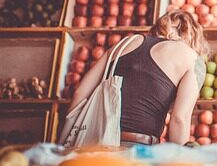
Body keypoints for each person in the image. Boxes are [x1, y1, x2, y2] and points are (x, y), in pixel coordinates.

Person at [68, 10, 208, 145]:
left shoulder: (124, 44)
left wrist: (69, 139)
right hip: (137, 149)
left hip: (95, 142)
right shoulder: (192, 58)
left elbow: (79, 94)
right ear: (193, 38)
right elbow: (179, 119)